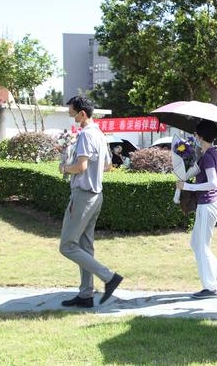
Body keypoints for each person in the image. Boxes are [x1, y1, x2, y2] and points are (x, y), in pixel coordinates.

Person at [59, 96, 123, 308]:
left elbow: (81, 167)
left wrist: (65, 168)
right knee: (85, 246)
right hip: (96, 196)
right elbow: (107, 166)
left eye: (72, 111)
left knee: (67, 245)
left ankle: (109, 277)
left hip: (83, 195)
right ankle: (86, 295)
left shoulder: (86, 134)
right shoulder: (99, 134)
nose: (71, 115)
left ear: (82, 113)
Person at [177, 120, 217, 299]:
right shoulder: (211, 153)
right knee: (197, 244)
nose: (194, 137)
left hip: (208, 204)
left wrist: (188, 187)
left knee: (202, 247)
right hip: (209, 204)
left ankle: (210, 288)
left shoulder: (209, 156)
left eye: (195, 135)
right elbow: (198, 171)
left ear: (199, 136)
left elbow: (212, 183)